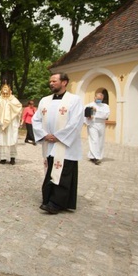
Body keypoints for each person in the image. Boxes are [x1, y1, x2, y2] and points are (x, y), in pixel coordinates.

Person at [32, 72, 84, 214]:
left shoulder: (74, 100)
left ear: (64, 82)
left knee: (63, 172)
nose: (51, 83)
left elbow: (76, 122)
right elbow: (35, 120)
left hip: (65, 144)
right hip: (49, 143)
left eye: (54, 81)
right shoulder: (44, 100)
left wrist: (59, 136)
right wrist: (44, 135)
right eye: (50, 81)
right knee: (51, 170)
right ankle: (48, 198)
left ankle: (56, 203)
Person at [0, 83, 22, 165]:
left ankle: (12, 157)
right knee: (1, 140)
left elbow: (19, 107)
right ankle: (2, 157)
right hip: (0, 123)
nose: (5, 95)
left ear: (10, 92)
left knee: (12, 138)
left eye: (6, 93)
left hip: (11, 124)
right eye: (3, 93)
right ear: (0, 92)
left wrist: (10, 105)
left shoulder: (14, 100)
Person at [84, 92, 110, 165]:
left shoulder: (105, 106)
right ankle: (96, 157)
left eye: (101, 99)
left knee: (100, 140)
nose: (99, 100)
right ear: (95, 97)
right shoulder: (89, 105)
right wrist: (89, 115)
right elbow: (84, 113)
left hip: (101, 124)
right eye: (98, 98)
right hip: (93, 124)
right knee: (94, 140)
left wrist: (96, 112)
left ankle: (93, 155)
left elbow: (106, 115)